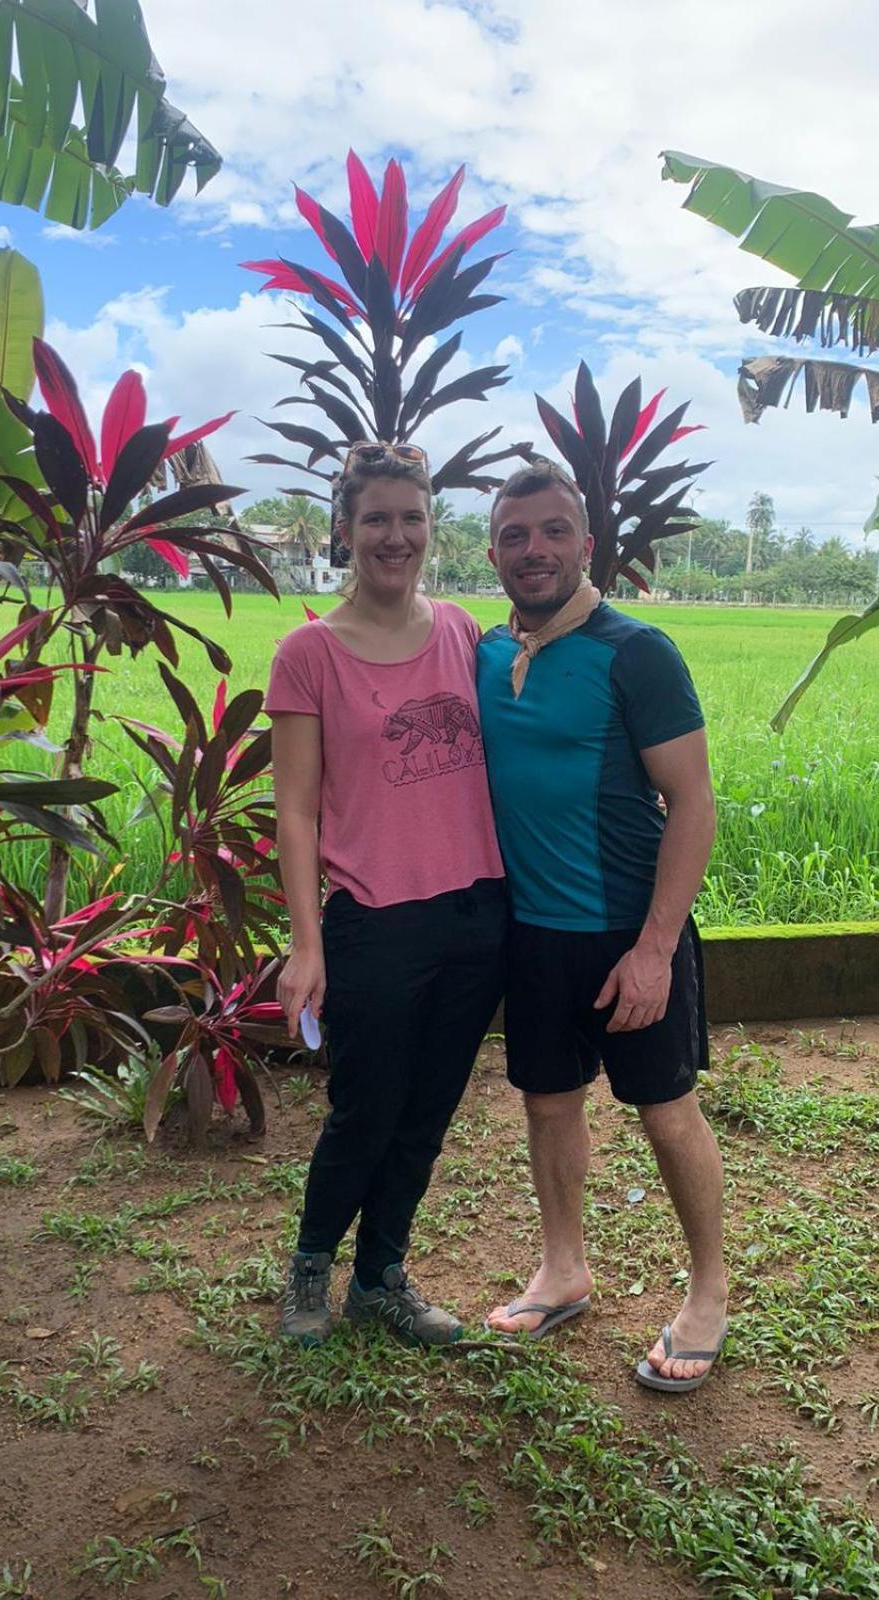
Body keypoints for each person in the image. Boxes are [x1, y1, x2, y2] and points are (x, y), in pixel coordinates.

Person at [476, 459, 727, 1391]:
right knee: (549, 1104)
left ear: (585, 544)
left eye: (550, 532)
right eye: (513, 535)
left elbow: (693, 803)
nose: (532, 550)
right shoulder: (487, 655)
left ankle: (707, 1292)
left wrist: (656, 948)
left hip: (630, 932)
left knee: (666, 1114)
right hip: (533, 934)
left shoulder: (638, 652)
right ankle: (564, 1267)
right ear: (494, 552)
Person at [266, 441, 506, 1348]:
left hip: (478, 915)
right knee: (365, 1111)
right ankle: (311, 1267)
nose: (395, 536)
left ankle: (382, 1276)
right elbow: (294, 813)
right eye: (377, 519)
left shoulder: (463, 632)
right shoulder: (309, 653)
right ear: (346, 529)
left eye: (411, 518)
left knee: (428, 1111)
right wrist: (307, 942)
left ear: (430, 528)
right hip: (373, 920)